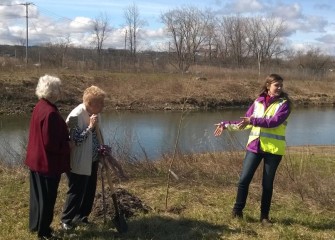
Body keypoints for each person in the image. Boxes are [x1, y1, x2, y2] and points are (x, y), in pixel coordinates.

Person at [214, 73, 291, 226]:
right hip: (255, 146)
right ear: (268, 86)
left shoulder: (285, 104)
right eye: (277, 85)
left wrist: (253, 120)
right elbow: (245, 122)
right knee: (244, 180)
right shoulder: (258, 102)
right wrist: (226, 125)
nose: (280, 88)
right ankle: (237, 211)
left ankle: (264, 217)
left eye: (281, 85)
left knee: (267, 185)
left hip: (273, 150)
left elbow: (274, 122)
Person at [25, 75, 71, 240]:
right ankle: (44, 233)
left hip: (35, 160)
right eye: (59, 88)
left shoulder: (40, 106)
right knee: (47, 198)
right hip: (47, 163)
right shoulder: (50, 112)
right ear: (52, 92)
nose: (61, 91)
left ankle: (35, 225)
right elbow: (51, 144)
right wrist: (68, 145)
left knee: (37, 196)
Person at [60, 85, 106, 230]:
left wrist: (102, 149)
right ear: (91, 104)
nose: (103, 106)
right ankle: (66, 220)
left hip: (92, 159)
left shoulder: (95, 113)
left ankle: (82, 216)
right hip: (78, 161)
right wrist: (90, 127)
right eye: (101, 103)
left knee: (89, 190)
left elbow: (98, 135)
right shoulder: (75, 116)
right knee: (76, 190)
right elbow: (75, 141)